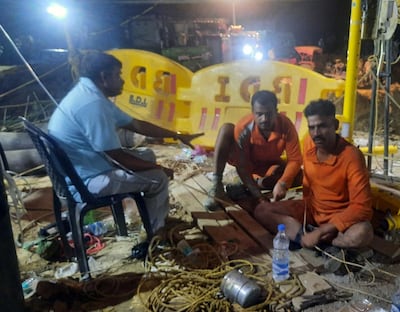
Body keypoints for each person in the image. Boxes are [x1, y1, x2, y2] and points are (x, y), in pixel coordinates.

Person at [48, 51, 202, 235]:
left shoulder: (88, 92)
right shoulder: (93, 105)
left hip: (82, 168)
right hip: (85, 181)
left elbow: (134, 123)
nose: (122, 80)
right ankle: (156, 234)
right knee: (158, 179)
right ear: (104, 77)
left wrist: (177, 135)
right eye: (118, 75)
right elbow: (117, 158)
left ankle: (152, 215)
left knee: (148, 155)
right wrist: (158, 168)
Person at [254, 99, 374, 250]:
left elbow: (362, 207)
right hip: (311, 210)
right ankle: (304, 237)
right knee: (262, 210)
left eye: (322, 126)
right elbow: (308, 183)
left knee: (363, 232)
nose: (316, 134)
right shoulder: (309, 143)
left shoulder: (352, 156)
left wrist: (323, 230)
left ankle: (317, 239)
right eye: (312, 128)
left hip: (339, 218)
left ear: (335, 126)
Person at [204, 90, 303, 211]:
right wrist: (259, 197)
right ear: (253, 113)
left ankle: (248, 185)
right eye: (259, 114)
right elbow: (242, 166)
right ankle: (217, 184)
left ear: (276, 112)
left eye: (269, 114)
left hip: (268, 165)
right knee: (226, 129)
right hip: (246, 165)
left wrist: (283, 183)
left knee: (299, 177)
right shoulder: (244, 127)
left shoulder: (285, 125)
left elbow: (295, 160)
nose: (264, 119)